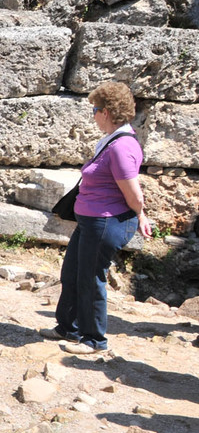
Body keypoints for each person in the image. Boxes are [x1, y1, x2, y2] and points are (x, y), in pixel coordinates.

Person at [43, 81, 151, 356]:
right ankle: (68, 327)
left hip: (105, 222)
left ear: (107, 112)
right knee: (71, 274)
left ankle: (94, 340)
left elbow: (134, 193)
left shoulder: (120, 147)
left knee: (91, 279)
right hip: (92, 221)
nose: (92, 114)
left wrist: (140, 215)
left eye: (95, 109)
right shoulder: (112, 140)